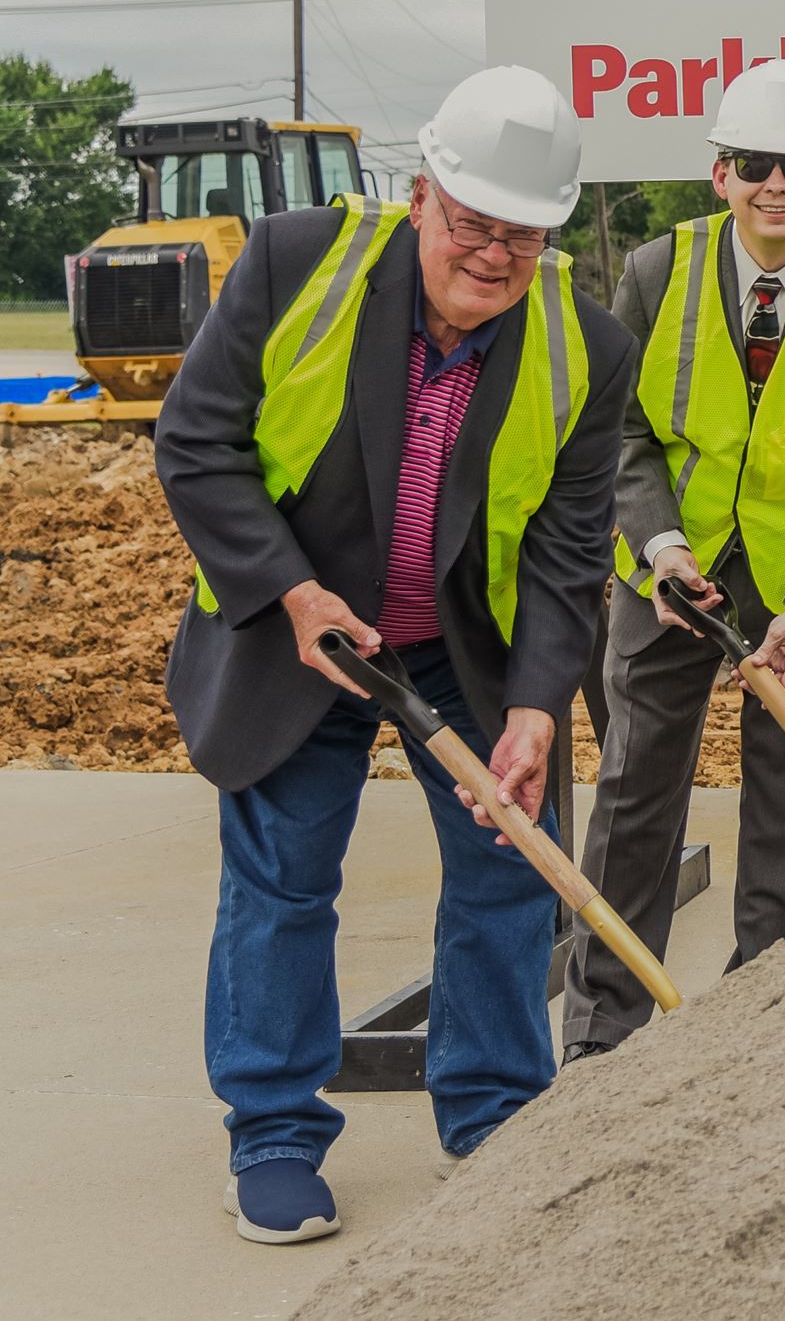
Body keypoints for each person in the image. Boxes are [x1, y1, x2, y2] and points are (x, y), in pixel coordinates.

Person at [156, 68, 636, 1244]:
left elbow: (571, 548)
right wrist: (289, 593)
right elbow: (197, 444)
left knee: (507, 872)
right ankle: (271, 1130)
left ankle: (494, 1118)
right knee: (283, 878)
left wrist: (535, 708)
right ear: (423, 195)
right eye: (472, 223)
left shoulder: (588, 340)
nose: (492, 254)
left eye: (521, 236)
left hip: (461, 646)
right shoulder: (292, 262)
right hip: (300, 631)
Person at [562, 60, 785, 1060]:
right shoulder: (652, 272)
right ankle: (604, 1034)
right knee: (634, 794)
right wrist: (661, 548)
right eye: (754, 163)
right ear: (718, 173)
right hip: (670, 573)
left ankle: (769, 1030)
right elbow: (618, 435)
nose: (776, 184)